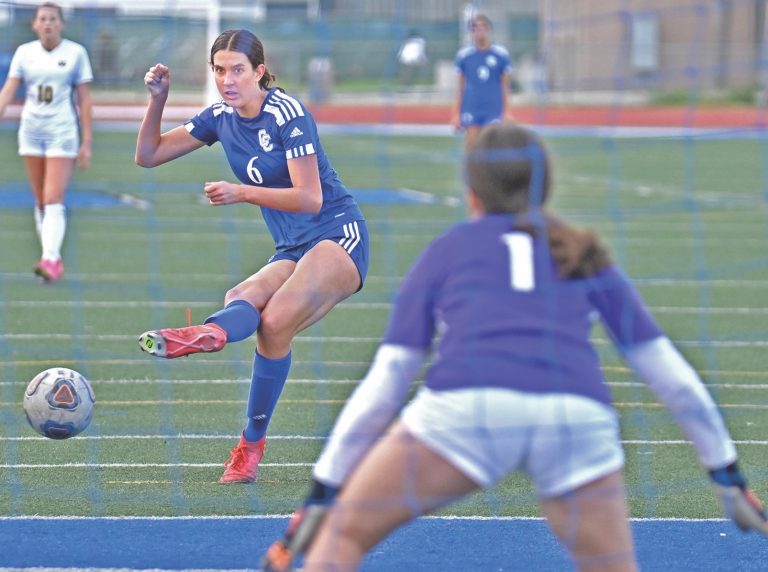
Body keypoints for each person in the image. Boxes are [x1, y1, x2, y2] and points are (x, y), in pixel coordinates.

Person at [260, 123, 767, 572]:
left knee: (343, 537)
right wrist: (728, 477)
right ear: (545, 187)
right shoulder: (582, 248)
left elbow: (385, 385)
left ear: (471, 193)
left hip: (467, 410)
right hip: (574, 418)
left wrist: (323, 492)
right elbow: (669, 376)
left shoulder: (448, 251)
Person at [134, 29, 369, 485]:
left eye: (238, 69)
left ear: (259, 72)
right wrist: (158, 99)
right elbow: (148, 155)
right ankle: (211, 332)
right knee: (241, 295)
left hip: (338, 234)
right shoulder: (219, 117)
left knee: (275, 320)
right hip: (293, 246)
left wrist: (242, 192)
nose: (228, 80)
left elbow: (310, 198)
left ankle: (249, 447)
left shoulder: (288, 113)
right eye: (219, 70)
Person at [0, 2, 93, 283]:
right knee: (40, 200)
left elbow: (84, 99)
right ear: (35, 24)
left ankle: (50, 260)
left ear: (61, 23)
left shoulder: (76, 53)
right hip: (31, 131)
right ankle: (51, 257)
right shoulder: (25, 53)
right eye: (43, 18)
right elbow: (8, 91)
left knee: (53, 197)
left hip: (61, 130)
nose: (48, 23)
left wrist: (86, 140)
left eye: (53, 18)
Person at [451, 13, 514, 150]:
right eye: (475, 28)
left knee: (492, 147)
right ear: (471, 32)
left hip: (493, 108)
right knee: (472, 147)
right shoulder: (464, 56)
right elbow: (459, 89)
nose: (479, 32)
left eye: (483, 28)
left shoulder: (500, 55)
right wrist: (456, 114)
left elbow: (505, 86)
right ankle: (470, 171)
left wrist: (507, 111)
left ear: (489, 30)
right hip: (472, 106)